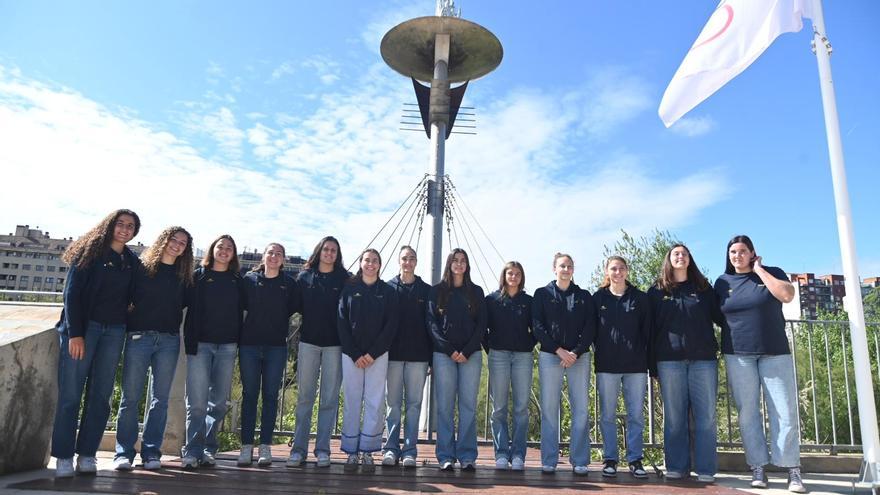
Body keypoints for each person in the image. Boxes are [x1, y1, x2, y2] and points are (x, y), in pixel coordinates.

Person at [51, 209, 140, 478]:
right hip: (84, 331)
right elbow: (72, 294)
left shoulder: (131, 261)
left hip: (113, 333)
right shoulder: (90, 252)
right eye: (121, 224)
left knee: (101, 396)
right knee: (70, 396)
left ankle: (87, 454)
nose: (125, 229)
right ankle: (64, 456)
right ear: (110, 225)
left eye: (130, 226)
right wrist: (75, 333)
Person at [714, 235, 806, 493]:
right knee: (748, 414)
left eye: (742, 251)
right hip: (738, 354)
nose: (737, 256)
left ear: (752, 253)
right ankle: (757, 466)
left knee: (784, 411)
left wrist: (759, 270)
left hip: (775, 352)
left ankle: (792, 469)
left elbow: (787, 296)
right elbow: (715, 315)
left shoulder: (771, 272)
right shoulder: (722, 282)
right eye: (733, 252)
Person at [114, 226, 193, 471]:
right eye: (174, 240)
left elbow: (188, 305)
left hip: (169, 341)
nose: (177, 245)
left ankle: (150, 453)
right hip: (139, 338)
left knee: (160, 400)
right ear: (164, 240)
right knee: (130, 398)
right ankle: (123, 453)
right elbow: (124, 298)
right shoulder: (140, 268)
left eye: (183, 243)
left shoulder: (184, 276)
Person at [648, 244, 721, 482]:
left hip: (704, 361)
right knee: (675, 417)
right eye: (676, 253)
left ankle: (706, 469)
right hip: (669, 362)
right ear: (669, 260)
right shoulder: (657, 291)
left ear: (690, 259)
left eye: (684, 253)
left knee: (706, 417)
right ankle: (677, 467)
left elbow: (722, 316)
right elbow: (650, 330)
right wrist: (652, 365)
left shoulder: (703, 288)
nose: (680, 256)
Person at [181, 234, 246, 469]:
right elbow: (178, 301)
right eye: (220, 246)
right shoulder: (198, 276)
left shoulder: (237, 280)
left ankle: (209, 448)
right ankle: (191, 450)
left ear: (233, 254)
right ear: (212, 250)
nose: (224, 250)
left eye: (229, 247)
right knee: (197, 403)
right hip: (200, 346)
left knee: (218, 403)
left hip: (227, 346)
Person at [287, 236, 349, 468]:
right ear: (319, 251)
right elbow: (291, 306)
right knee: (305, 398)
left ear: (337, 254)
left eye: (334, 250)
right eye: (326, 249)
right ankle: (298, 450)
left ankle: (323, 450)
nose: (329, 253)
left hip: (335, 345)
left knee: (329, 400)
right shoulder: (304, 277)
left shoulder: (344, 279)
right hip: (309, 344)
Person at [532, 252, 595, 475]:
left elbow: (590, 326)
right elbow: (537, 326)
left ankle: (579, 460)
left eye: (569, 266)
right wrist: (559, 351)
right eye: (562, 266)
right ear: (554, 269)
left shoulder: (584, 296)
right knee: (549, 409)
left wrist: (575, 352)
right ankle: (549, 459)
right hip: (551, 356)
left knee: (580, 409)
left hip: (579, 358)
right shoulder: (541, 294)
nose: (566, 269)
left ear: (573, 270)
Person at [237, 243, 300, 467]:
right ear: (263, 257)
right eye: (270, 253)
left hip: (276, 347)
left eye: (278, 254)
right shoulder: (248, 281)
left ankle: (265, 445)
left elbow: (293, 308)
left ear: (283, 259)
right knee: (250, 395)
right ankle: (246, 447)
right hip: (249, 346)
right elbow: (240, 307)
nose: (274, 257)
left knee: (271, 396)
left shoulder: (289, 284)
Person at [426, 248, 487, 471]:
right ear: (449, 264)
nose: (459, 264)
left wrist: (467, 350)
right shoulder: (437, 291)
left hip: (471, 355)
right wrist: (450, 350)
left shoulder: (476, 292)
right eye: (455, 260)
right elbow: (432, 324)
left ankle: (467, 455)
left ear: (467, 265)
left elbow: (482, 324)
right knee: (445, 406)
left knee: (468, 406)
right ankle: (445, 456)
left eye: (463, 261)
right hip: (444, 355)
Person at [338, 249, 398, 470]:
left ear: (380, 265)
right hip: (351, 355)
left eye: (375, 261)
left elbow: (391, 325)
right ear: (361, 263)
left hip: (378, 356)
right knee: (352, 401)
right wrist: (355, 353)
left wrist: (373, 353)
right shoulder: (349, 289)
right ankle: (351, 452)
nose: (370, 264)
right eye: (367, 260)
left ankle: (369, 451)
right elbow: (342, 321)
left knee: (374, 402)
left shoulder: (388, 292)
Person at [592, 256, 651, 479]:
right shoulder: (598, 298)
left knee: (635, 415)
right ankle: (610, 459)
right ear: (607, 271)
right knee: (607, 415)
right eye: (613, 268)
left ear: (627, 271)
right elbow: (593, 330)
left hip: (635, 366)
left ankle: (635, 460)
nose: (618, 272)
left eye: (621, 268)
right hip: (607, 365)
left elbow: (647, 331)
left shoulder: (640, 298)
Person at [382, 246, 432, 468]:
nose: (408, 262)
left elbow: (431, 326)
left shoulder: (426, 290)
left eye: (412, 258)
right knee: (392, 405)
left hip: (418, 357)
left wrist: (431, 359)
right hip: (392, 356)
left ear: (416, 261)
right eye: (404, 258)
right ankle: (390, 448)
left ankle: (410, 450)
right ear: (398, 261)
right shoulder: (388, 288)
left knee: (414, 405)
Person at [485, 261, 534, 471]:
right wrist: (492, 349)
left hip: (523, 356)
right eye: (510, 273)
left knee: (522, 407)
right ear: (503, 276)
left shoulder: (529, 301)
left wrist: (528, 345)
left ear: (522, 277)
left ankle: (518, 455)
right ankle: (502, 453)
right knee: (499, 408)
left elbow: (537, 328)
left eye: (517, 274)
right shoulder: (492, 300)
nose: (513, 277)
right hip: (498, 356)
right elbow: (482, 328)